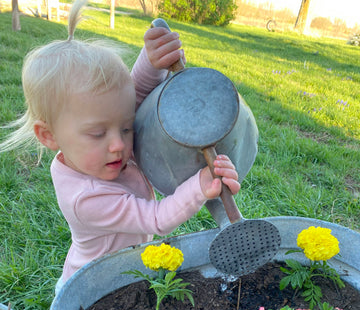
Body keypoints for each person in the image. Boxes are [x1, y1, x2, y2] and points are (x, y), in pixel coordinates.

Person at [0, 0, 240, 293]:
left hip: (126, 272)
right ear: (49, 136)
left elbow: (133, 96)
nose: (119, 144)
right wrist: (200, 185)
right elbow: (156, 218)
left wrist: (151, 62)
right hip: (92, 289)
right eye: (98, 133)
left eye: (125, 127)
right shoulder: (85, 198)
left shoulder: (91, 153)